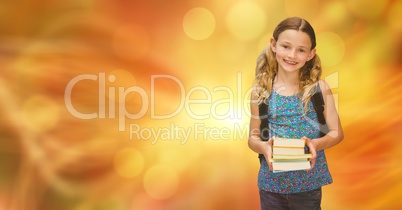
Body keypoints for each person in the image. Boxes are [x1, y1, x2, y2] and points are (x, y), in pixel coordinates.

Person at [248, 17, 344, 210]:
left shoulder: (319, 89)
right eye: (286, 46)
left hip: (308, 186)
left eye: (301, 50)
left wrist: (316, 144)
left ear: (310, 54)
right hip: (271, 186)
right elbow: (252, 137)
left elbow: (337, 133)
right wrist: (263, 147)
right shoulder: (260, 92)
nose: (292, 55)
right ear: (274, 45)